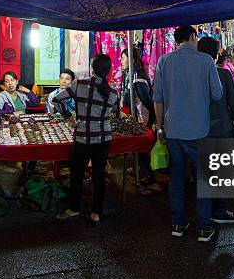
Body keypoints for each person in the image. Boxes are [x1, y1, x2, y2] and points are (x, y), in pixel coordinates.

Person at [153, 26, 223, 242]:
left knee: (177, 176)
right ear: (193, 37)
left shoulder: (164, 61)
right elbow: (217, 94)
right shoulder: (206, 61)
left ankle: (178, 223)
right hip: (198, 129)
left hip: (173, 129)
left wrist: (159, 125)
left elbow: (158, 98)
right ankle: (203, 227)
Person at [55, 55, 119, 225]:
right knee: (99, 176)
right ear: (108, 70)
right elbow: (114, 114)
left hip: (82, 137)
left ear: (92, 68)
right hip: (103, 137)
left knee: (77, 174)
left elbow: (57, 100)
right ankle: (96, 213)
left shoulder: (80, 85)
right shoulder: (113, 93)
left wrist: (69, 117)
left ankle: (74, 209)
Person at [197, 37, 234, 224]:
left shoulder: (194, 75)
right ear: (216, 55)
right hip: (223, 129)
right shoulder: (223, 74)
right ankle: (220, 210)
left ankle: (205, 213)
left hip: (201, 129)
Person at [120, 48, 161, 195]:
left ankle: (151, 178)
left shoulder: (137, 76)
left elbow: (147, 101)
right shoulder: (129, 74)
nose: (121, 61)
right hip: (136, 118)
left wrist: (152, 120)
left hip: (143, 118)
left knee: (143, 148)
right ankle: (143, 172)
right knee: (140, 148)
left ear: (131, 59)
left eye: (123, 58)